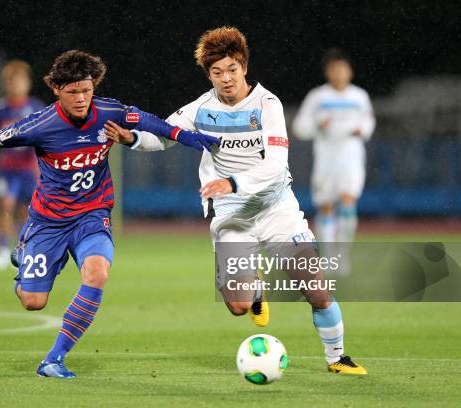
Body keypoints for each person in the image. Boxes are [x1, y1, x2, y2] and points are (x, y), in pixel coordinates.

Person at [0, 50, 220, 378]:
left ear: (94, 86)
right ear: (56, 89)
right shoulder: (41, 123)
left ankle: (54, 359)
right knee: (33, 301)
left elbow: (151, 123)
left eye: (86, 90)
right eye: (73, 91)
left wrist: (190, 138)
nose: (81, 98)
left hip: (92, 213)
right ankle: (23, 257)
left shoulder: (109, 111)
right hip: (48, 221)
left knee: (98, 272)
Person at [104, 27, 366, 375]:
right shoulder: (200, 109)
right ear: (208, 74)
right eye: (216, 72)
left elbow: (275, 165)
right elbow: (165, 137)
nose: (225, 79)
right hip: (231, 215)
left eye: (231, 69)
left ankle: (337, 358)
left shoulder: (267, 105)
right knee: (239, 306)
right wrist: (132, 138)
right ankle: (255, 290)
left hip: (276, 208)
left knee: (314, 285)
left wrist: (232, 181)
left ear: (243, 66)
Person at [292, 49, 375, 273]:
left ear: (349, 71)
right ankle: (330, 258)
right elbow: (300, 126)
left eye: (342, 69)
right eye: (334, 69)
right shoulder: (318, 97)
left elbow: (368, 123)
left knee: (348, 203)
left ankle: (343, 256)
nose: (339, 73)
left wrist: (361, 130)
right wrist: (318, 126)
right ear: (328, 72)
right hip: (326, 159)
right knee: (326, 208)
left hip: (351, 158)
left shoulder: (359, 97)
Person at [0, 60, 46, 270]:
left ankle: (22, 250)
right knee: (5, 206)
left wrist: (44, 169)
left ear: (28, 83)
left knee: (26, 211)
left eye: (20, 80)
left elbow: (44, 141)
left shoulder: (36, 108)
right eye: (12, 81)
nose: (16, 85)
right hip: (8, 170)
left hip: (29, 169)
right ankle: (2, 250)